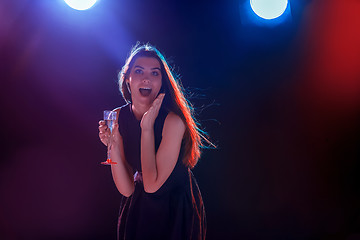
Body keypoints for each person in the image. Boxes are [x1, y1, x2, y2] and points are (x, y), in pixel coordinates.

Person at [98, 43, 212, 240]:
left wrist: (147, 128)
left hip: (175, 207)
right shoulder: (117, 117)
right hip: (140, 204)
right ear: (128, 79)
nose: (146, 79)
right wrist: (113, 145)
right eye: (139, 71)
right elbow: (126, 189)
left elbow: (152, 185)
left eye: (155, 73)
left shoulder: (173, 122)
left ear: (161, 82)